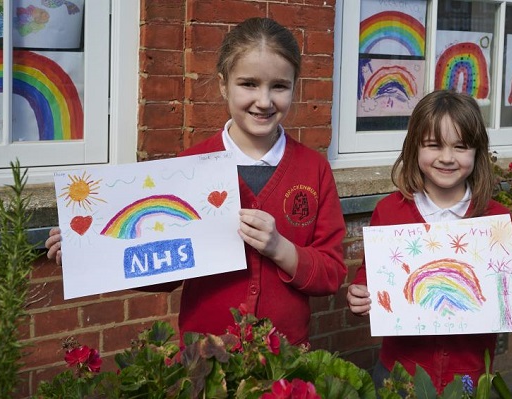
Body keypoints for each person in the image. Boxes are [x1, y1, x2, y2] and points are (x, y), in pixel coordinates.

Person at [46, 17, 347, 346]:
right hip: (205, 355)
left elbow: (331, 274)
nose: (264, 101)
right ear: (223, 85)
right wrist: (88, 250)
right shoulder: (189, 170)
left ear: (294, 87)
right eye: (248, 84)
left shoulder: (313, 169)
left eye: (279, 86)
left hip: (284, 361)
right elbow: (161, 271)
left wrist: (280, 248)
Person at [346, 90, 512, 393]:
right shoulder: (388, 212)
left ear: (477, 152)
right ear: (414, 148)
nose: (446, 158)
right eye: (433, 145)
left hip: (469, 380)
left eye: (460, 147)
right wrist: (359, 296)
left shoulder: (496, 221)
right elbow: (369, 279)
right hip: (399, 377)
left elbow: (509, 300)